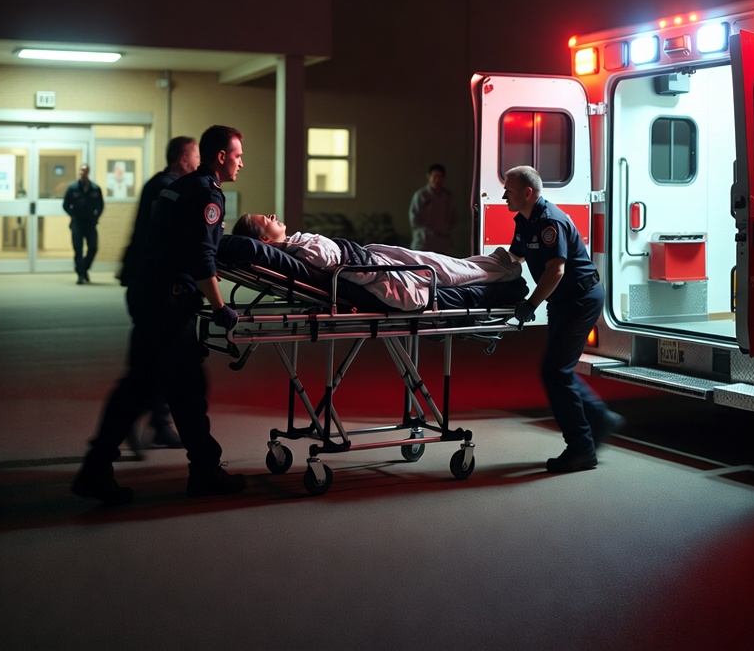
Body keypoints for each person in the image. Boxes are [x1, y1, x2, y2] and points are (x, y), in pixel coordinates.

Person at [72, 125, 247, 504]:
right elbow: (202, 256)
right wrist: (220, 308)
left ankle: (99, 468)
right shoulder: (206, 193)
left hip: (149, 294)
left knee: (145, 386)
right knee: (180, 387)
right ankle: (201, 471)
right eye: (237, 156)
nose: (241, 163)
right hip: (168, 303)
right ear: (221, 156)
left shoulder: (179, 186)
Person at [502, 165, 624, 473]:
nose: (504, 195)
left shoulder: (549, 222)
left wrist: (531, 303)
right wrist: (479, 271)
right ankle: (598, 417)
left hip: (580, 300)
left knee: (555, 371)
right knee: (560, 370)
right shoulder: (525, 221)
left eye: (509, 190)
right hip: (564, 300)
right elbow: (513, 258)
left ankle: (581, 449)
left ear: (527, 193)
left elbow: (556, 270)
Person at [232, 212, 521, 311]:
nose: (271, 216)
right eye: (264, 220)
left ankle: (499, 267)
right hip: (380, 271)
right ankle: (504, 273)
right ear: (264, 241)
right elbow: (330, 258)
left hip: (375, 257)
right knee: (448, 272)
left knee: (449, 265)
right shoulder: (299, 251)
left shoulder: (294, 246)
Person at [118, 135, 200, 454]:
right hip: (156, 289)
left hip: (150, 285)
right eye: (194, 157)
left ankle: (160, 424)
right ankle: (129, 425)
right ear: (182, 158)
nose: (197, 163)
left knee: (159, 361)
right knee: (155, 363)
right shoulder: (169, 189)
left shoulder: (159, 185)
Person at [63, 164, 104, 284]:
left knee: (93, 247)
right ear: (78, 172)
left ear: (88, 173)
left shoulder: (95, 188)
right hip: (77, 223)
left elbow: (100, 205)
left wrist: (96, 216)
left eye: (85, 171)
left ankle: (83, 268)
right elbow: (65, 205)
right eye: (81, 171)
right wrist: (72, 214)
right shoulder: (72, 188)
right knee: (78, 248)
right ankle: (81, 275)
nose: (83, 173)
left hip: (90, 223)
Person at [409, 163, 457, 254]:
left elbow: (452, 217)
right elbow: (414, 218)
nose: (437, 180)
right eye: (434, 176)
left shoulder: (447, 197)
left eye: (440, 177)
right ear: (428, 177)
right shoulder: (421, 195)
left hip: (442, 243)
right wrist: (426, 232)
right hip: (424, 243)